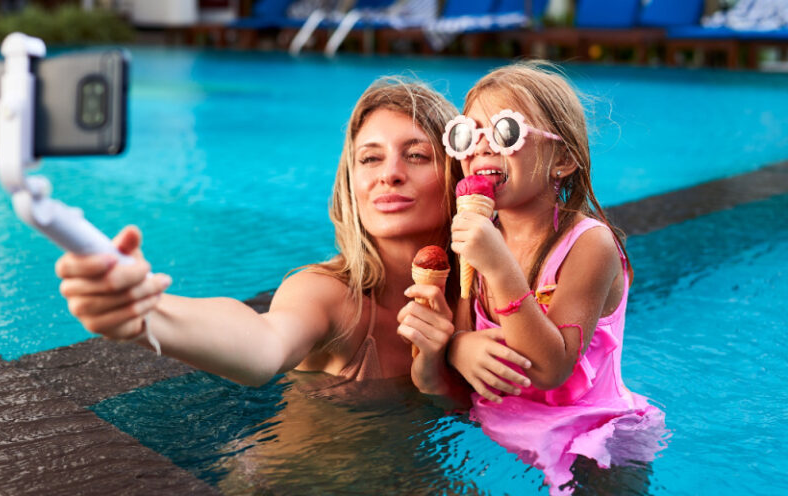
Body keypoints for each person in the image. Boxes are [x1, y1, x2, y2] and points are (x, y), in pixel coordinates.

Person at [55, 77, 530, 402]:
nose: (390, 174)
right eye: (369, 159)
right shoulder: (328, 294)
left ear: (455, 174)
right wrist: (149, 314)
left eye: (417, 155)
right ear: (352, 182)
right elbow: (262, 343)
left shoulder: (489, 298)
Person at [441, 62, 666, 494]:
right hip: (503, 430)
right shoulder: (480, 234)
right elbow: (462, 328)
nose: (482, 149)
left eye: (506, 133)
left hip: (591, 440)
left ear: (562, 159)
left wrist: (501, 269)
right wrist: (458, 347)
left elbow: (550, 368)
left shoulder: (589, 246)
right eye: (467, 135)